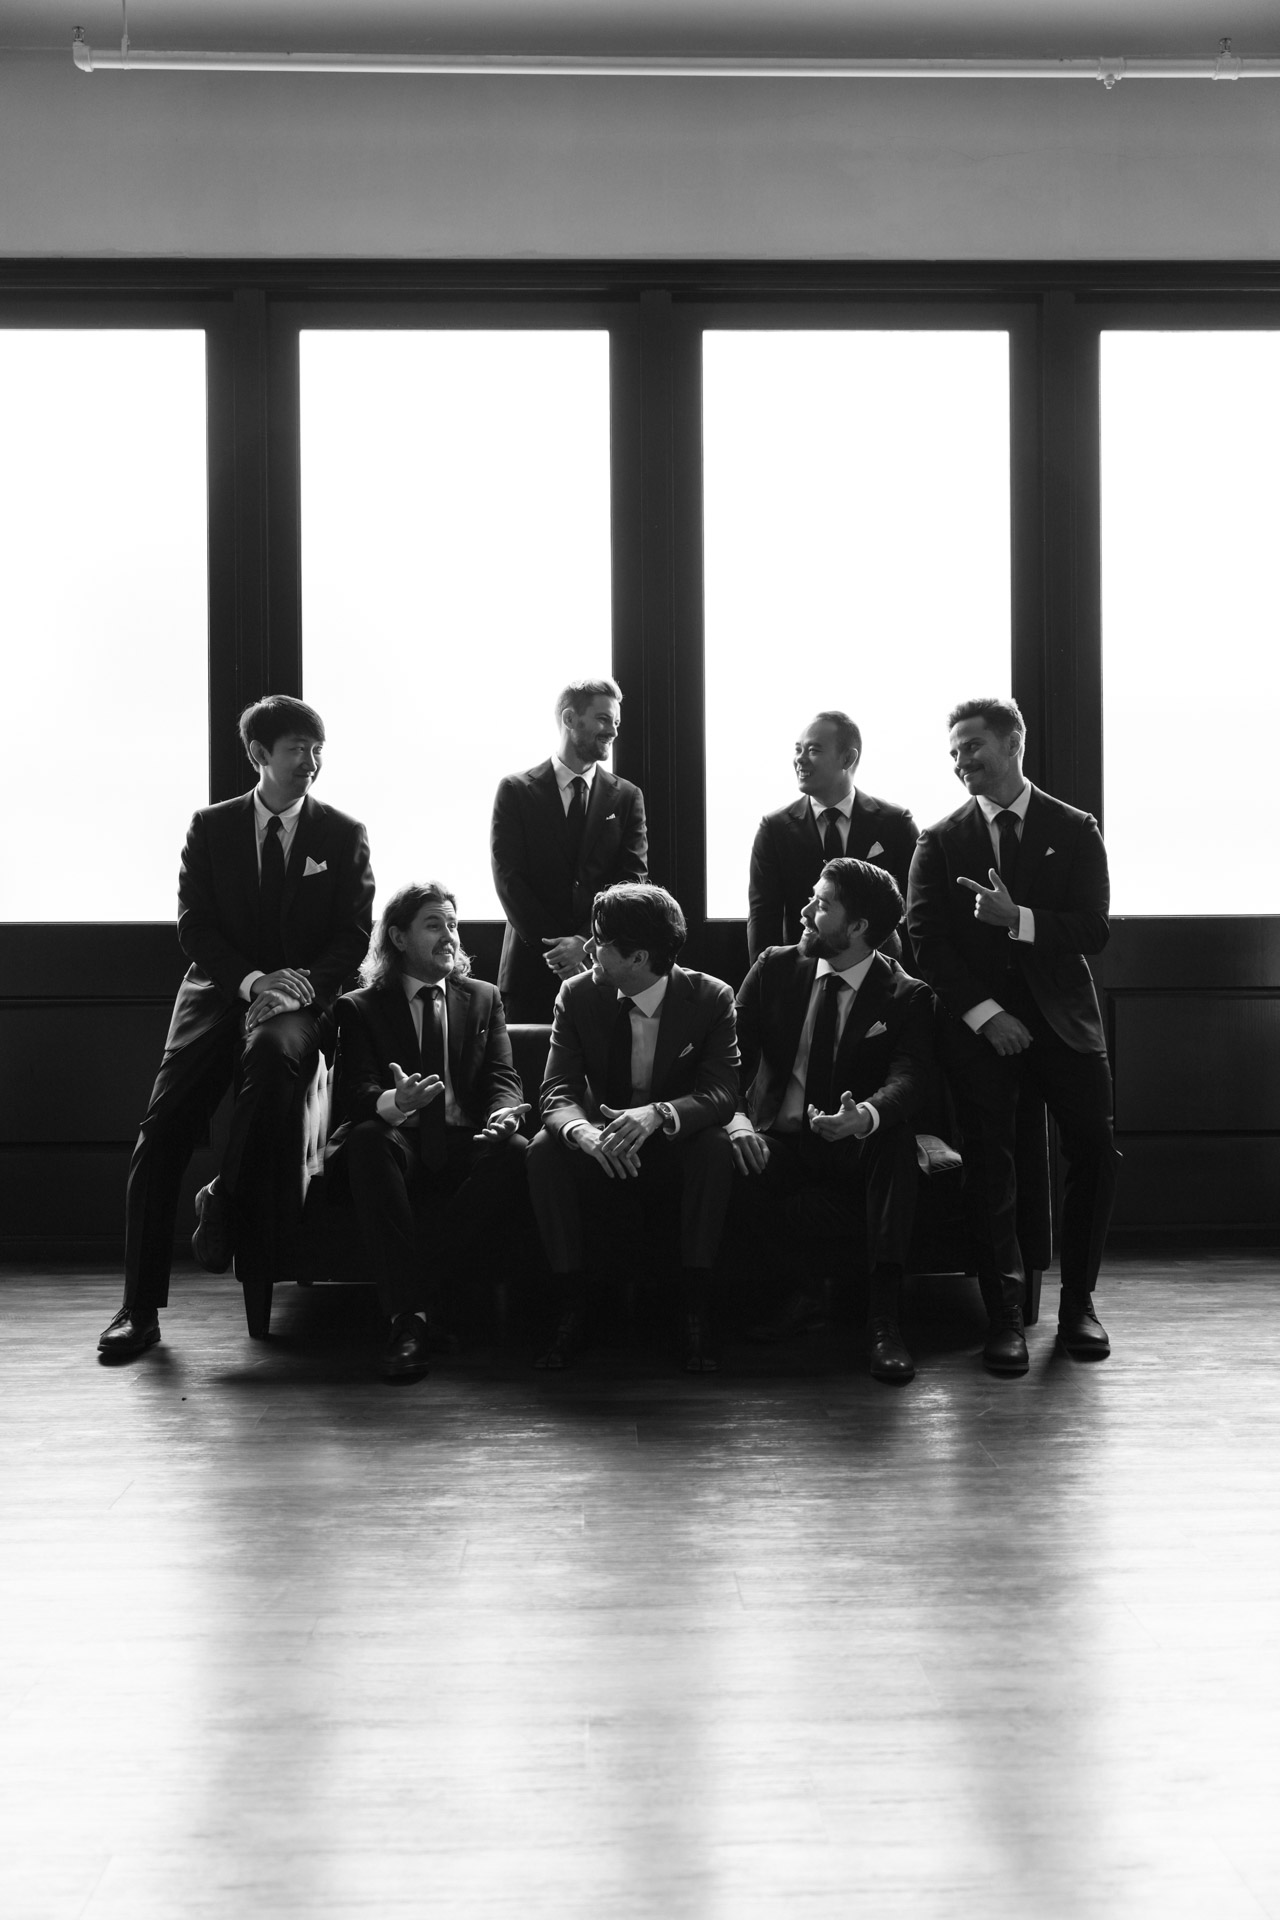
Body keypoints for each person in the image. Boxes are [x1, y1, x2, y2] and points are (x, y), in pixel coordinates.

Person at [98, 696, 375, 1359]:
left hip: (299, 1002)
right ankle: (139, 1310)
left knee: (274, 1064)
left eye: (317, 750)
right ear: (258, 755)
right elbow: (194, 926)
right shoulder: (211, 826)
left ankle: (224, 1194)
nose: (310, 762)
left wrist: (297, 988)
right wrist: (253, 984)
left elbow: (353, 935)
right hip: (219, 997)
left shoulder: (343, 833)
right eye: (296, 749)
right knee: (162, 1131)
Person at [906, 696, 1119, 1374]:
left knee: (1094, 1151)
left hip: (1065, 1024)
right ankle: (1003, 1318)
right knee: (990, 1166)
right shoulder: (939, 840)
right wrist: (986, 1015)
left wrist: (1018, 918)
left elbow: (1094, 928)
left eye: (972, 746)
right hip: (982, 1031)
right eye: (954, 751)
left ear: (1012, 744)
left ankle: (1079, 1304)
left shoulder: (1074, 828)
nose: (960, 761)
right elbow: (925, 942)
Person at [731, 859, 934, 1383]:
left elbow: (910, 1078)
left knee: (895, 1141)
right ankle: (798, 1296)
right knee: (724, 1151)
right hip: (780, 1140)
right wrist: (736, 1120)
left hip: (852, 1147)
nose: (804, 911)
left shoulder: (906, 995)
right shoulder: (773, 968)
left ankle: (884, 1322)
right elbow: (728, 1061)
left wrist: (864, 1116)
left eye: (821, 905)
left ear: (859, 927)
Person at [525, 883, 739, 1373]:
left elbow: (722, 1093)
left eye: (599, 940)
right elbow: (556, 1089)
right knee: (543, 1150)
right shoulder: (577, 994)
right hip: (601, 1137)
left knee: (713, 1146)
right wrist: (581, 1132)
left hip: (672, 1138)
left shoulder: (711, 997)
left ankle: (693, 1307)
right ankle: (573, 1304)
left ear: (638, 957)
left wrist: (659, 1113)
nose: (587, 947)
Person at [326, 883, 531, 1381]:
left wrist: (503, 1114)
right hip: (400, 1137)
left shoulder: (483, 997)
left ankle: (412, 1298)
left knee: (517, 1150)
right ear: (398, 937)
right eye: (434, 925)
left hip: (464, 1138)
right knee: (367, 1139)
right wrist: (398, 1101)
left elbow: (502, 1077)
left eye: (453, 925)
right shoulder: (359, 1006)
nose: (449, 936)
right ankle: (412, 1320)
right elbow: (357, 1092)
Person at [490, 676, 648, 1021]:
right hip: (529, 970)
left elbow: (632, 882)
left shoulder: (626, 796)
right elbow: (508, 880)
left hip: (601, 968)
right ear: (569, 719)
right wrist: (558, 951)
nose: (613, 731)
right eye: (604, 719)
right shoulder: (515, 791)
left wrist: (584, 942)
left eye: (616, 722)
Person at [747, 710, 919, 962]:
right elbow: (763, 916)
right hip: (804, 972)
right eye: (798, 750)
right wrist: (767, 978)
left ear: (848, 758)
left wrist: (910, 980)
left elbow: (914, 911)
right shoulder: (774, 828)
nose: (800, 759)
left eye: (813, 750)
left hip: (878, 973)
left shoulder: (896, 823)